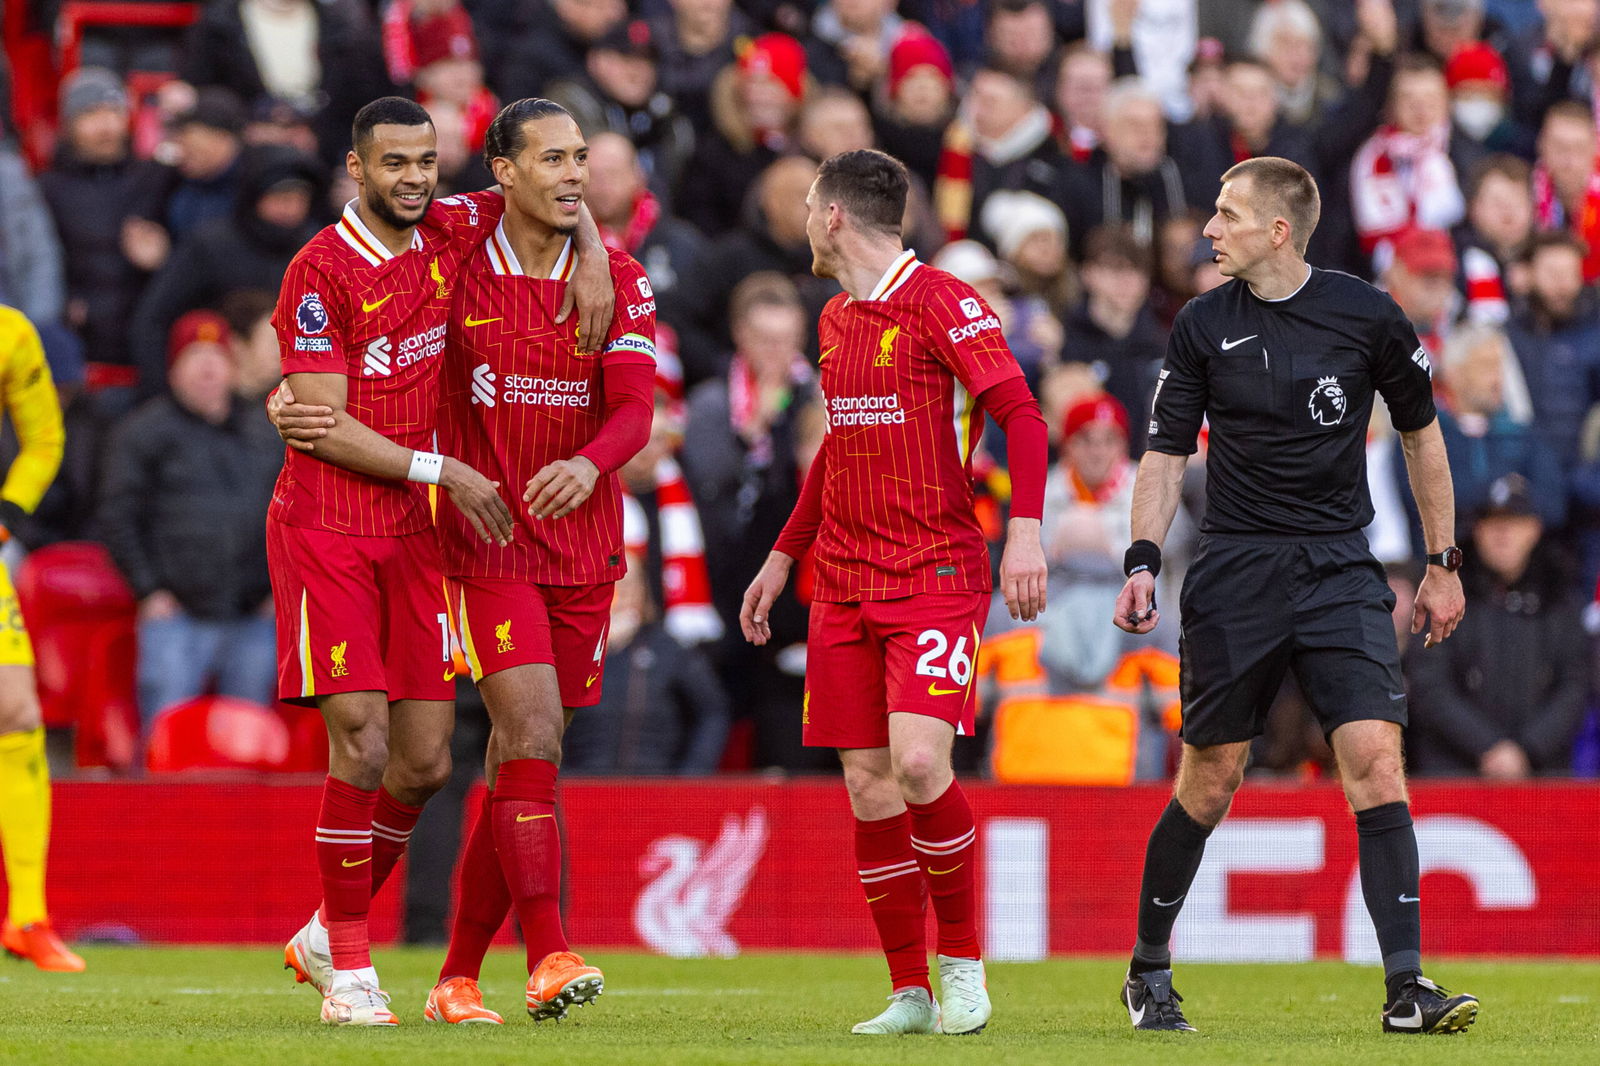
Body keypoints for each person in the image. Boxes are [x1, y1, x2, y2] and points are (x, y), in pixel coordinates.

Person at [1111, 156, 1477, 1035]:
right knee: (1212, 776)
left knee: (1377, 764)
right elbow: (1165, 454)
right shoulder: (1201, 325)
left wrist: (1442, 561)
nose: (1209, 228)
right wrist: (1142, 557)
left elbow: (1424, 439)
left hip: (1341, 567)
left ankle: (1406, 990)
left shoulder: (1369, 316)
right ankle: (1147, 970)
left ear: (1278, 231)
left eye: (1226, 214)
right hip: (1237, 570)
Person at [266, 96, 611, 1026]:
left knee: (422, 765)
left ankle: (318, 931)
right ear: (356, 168)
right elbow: (324, 424)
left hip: (413, 537)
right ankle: (349, 970)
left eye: (426, 162)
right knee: (365, 741)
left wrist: (599, 259)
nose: (414, 179)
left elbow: (556, 192)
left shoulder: (451, 232)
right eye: (395, 165)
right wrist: (443, 466)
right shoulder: (317, 272)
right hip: (329, 530)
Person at [740, 149, 1048, 1036]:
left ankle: (962, 964)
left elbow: (1021, 414)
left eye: (808, 205)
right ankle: (909, 988)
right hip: (842, 577)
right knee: (869, 786)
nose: (803, 220)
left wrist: (1024, 528)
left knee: (919, 764)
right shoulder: (835, 319)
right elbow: (838, 448)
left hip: (937, 573)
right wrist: (782, 555)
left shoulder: (943, 300)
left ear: (835, 215)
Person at [420, 98, 656, 1025]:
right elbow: (392, 208)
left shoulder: (621, 278)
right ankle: (551, 952)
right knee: (536, 736)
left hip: (583, 544)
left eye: (581, 158)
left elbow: (635, 410)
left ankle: (454, 978)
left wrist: (588, 462)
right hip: (485, 540)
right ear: (502, 171)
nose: (572, 173)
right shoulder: (455, 252)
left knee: (519, 756)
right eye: (550, 158)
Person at [98, 311, 281, 723]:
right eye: (193, 356)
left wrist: (278, 589)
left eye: (215, 355)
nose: (206, 367)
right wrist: (148, 591)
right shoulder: (143, 432)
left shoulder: (265, 430)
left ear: (232, 365)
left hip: (252, 616)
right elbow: (117, 514)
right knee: (167, 741)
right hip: (176, 617)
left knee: (248, 748)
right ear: (172, 369)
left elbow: (293, 512)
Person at [1407, 474, 1589, 776]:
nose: (1503, 532)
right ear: (1476, 530)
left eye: (1515, 521)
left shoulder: (1560, 598)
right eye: (1492, 521)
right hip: (1454, 777)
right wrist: (1488, 747)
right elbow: (1429, 684)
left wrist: (1528, 749)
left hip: (1541, 777)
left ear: (1535, 529)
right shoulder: (1445, 595)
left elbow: (1576, 685)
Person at [0, 306, 73, 971]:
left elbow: (44, 438)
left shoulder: (11, 334)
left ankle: (28, 915)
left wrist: (8, 511)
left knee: (17, 713)